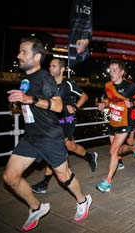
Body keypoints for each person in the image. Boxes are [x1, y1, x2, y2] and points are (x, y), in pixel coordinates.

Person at [4, 37, 91, 231]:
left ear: (36, 57)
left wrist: (29, 99)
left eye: (23, 52)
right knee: (10, 177)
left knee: (63, 176)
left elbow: (59, 105)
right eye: (19, 51)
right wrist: (21, 102)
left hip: (50, 136)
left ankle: (83, 200)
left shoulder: (44, 77)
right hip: (31, 136)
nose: (19, 55)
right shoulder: (26, 78)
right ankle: (36, 207)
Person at [31, 58, 98, 194]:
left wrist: (75, 107)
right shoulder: (48, 83)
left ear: (62, 69)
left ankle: (44, 183)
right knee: (70, 146)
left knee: (53, 149)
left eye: (53, 66)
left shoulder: (68, 83)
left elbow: (84, 96)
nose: (50, 68)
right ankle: (90, 157)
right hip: (53, 122)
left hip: (67, 120)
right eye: (50, 65)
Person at [96, 59, 135, 192]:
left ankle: (108, 181)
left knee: (113, 151)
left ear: (122, 72)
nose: (111, 73)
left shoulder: (130, 86)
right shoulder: (108, 85)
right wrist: (103, 104)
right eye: (110, 70)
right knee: (116, 150)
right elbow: (109, 100)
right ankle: (134, 147)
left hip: (125, 122)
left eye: (114, 70)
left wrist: (133, 104)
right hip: (113, 121)